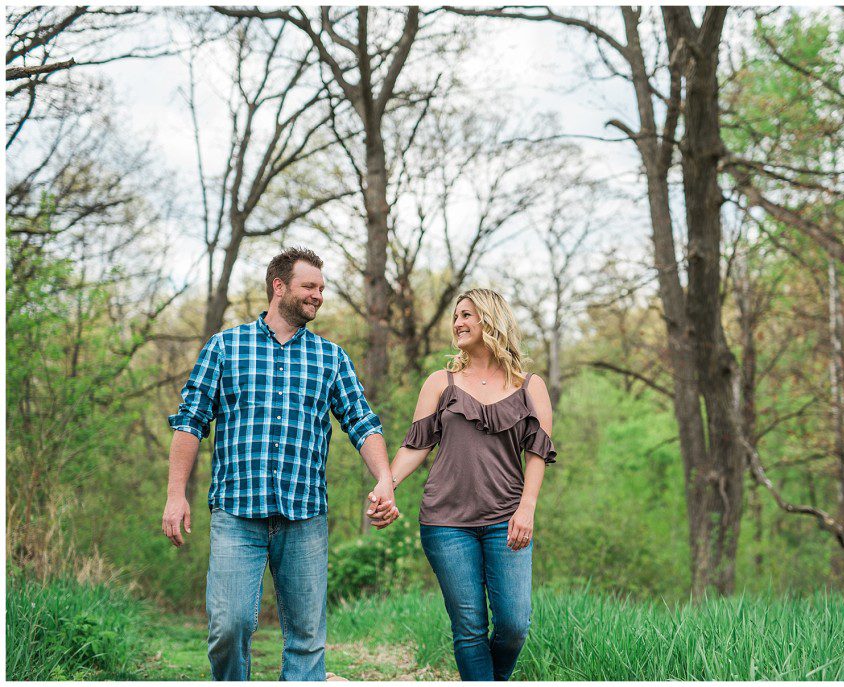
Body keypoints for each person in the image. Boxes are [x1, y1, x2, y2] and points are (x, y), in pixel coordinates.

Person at [162, 247, 399, 681]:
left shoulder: (331, 358)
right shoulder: (225, 347)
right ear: (279, 287)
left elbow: (363, 424)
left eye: (322, 289)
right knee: (229, 627)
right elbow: (190, 422)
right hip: (237, 512)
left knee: (307, 640)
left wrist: (385, 478)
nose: (318, 296)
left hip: (304, 516)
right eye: (310, 286)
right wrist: (176, 495)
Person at [376, 288, 556, 681]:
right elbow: (415, 445)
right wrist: (386, 485)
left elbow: (538, 455)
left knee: (513, 625)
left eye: (467, 315)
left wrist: (527, 507)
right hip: (445, 523)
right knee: (470, 630)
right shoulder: (440, 382)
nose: (457, 323)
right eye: (456, 316)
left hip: (506, 520)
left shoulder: (530, 386)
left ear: (491, 320)